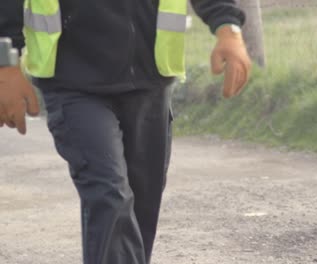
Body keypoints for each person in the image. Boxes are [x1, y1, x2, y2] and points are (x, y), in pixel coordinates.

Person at [0, 0, 252, 263]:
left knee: (141, 206)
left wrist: (228, 27)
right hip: (73, 82)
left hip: (150, 79)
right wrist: (5, 61)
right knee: (110, 194)